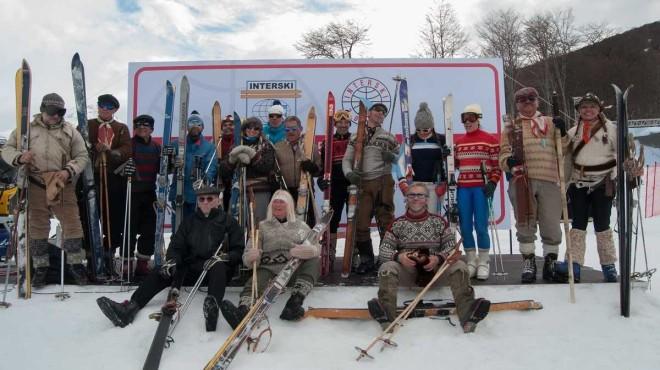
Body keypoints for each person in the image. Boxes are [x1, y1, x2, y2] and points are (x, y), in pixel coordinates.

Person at [96, 185, 244, 332]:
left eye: (209, 199)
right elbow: (176, 246)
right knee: (161, 270)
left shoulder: (229, 222)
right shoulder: (189, 222)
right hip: (192, 268)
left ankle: (212, 309)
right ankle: (129, 309)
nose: (205, 202)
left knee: (217, 267)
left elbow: (239, 250)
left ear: (218, 201)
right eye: (201, 199)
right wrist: (172, 260)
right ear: (197, 202)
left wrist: (224, 257)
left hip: (216, 270)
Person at [367, 182, 490, 333]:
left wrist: (438, 258)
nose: (416, 198)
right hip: (409, 272)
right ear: (406, 199)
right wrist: (399, 257)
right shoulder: (397, 224)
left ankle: (468, 318)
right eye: (412, 195)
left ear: (426, 199)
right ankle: (387, 319)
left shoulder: (438, 222)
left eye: (420, 195)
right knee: (387, 268)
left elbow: (451, 248)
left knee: (459, 266)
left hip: (436, 273)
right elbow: (384, 250)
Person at [2, 93, 90, 286]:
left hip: (61, 183)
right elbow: (7, 149)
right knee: (38, 226)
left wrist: (69, 171)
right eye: (52, 112)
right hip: (35, 182)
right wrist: (19, 158)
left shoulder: (70, 131)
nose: (56, 116)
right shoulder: (26, 129)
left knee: (72, 224)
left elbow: (83, 155)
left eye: (60, 112)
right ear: (43, 109)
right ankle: (40, 268)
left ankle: (76, 266)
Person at [220, 190, 321, 327]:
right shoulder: (261, 227)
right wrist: (251, 257)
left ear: (289, 205)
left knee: (313, 260)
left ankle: (294, 304)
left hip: (292, 270)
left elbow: (316, 247)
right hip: (268, 270)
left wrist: (309, 250)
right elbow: (246, 256)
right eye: (275, 201)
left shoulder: (301, 227)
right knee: (253, 284)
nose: (277, 204)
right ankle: (242, 312)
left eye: (282, 202)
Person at [498, 87, 568, 284]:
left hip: (548, 179)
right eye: (522, 100)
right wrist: (508, 162)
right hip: (522, 181)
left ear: (537, 102)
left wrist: (562, 132)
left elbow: (565, 148)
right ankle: (529, 261)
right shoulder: (511, 127)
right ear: (517, 104)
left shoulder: (549, 123)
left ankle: (550, 262)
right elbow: (502, 154)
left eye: (531, 99)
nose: (527, 103)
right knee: (525, 223)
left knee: (551, 223)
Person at [553, 93, 618, 283]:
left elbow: (623, 152)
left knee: (602, 225)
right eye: (584, 107)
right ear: (579, 111)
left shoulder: (612, 130)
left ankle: (608, 265)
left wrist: (626, 173)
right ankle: (574, 264)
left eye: (592, 107)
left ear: (599, 109)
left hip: (603, 184)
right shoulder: (574, 132)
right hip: (579, 184)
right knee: (578, 225)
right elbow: (564, 151)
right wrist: (562, 132)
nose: (588, 110)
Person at [342, 102, 399, 274]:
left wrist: (393, 157)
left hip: (384, 180)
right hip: (363, 182)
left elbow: (401, 158)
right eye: (377, 110)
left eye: (383, 112)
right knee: (361, 222)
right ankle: (366, 259)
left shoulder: (389, 136)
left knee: (386, 221)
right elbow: (347, 159)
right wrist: (349, 174)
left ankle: (385, 258)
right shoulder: (356, 135)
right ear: (369, 113)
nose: (380, 113)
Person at [454, 104, 501, 280]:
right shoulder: (459, 142)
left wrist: (493, 183)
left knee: (481, 226)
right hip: (464, 188)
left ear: (478, 118)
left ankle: (483, 261)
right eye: (464, 119)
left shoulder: (489, 139)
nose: (467, 122)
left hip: (481, 188)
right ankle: (471, 260)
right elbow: (456, 166)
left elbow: (497, 166)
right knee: (465, 226)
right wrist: (448, 156)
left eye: (471, 118)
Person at [88, 94, 132, 266]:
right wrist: (93, 147)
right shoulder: (89, 125)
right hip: (91, 175)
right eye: (102, 106)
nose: (105, 109)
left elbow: (127, 149)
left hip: (113, 178)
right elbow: (79, 143)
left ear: (114, 110)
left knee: (112, 216)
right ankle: (91, 253)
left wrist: (112, 152)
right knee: (90, 215)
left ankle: (109, 251)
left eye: (109, 107)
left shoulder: (121, 128)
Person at [220, 116, 276, 223]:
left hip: (260, 190)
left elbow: (266, 167)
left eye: (256, 129)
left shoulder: (266, 146)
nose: (252, 131)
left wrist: (253, 156)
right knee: (237, 223)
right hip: (239, 191)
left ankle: (257, 240)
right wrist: (231, 161)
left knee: (259, 223)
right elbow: (223, 171)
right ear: (244, 129)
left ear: (260, 131)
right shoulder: (236, 145)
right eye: (249, 128)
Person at [396, 102, 449, 214]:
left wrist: (445, 182)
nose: (422, 133)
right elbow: (400, 163)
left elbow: (451, 163)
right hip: (415, 185)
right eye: (419, 130)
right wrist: (403, 182)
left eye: (426, 130)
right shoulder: (409, 141)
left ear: (432, 127)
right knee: (415, 216)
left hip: (435, 185)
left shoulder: (441, 140)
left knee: (433, 217)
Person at [169, 111, 217, 228]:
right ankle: (177, 244)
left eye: (198, 124)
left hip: (197, 195)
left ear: (202, 127)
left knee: (196, 227)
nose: (194, 127)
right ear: (186, 126)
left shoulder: (208, 147)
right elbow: (166, 168)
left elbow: (211, 167)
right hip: (179, 192)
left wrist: (205, 180)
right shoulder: (176, 145)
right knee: (178, 226)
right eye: (191, 124)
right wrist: (172, 163)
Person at [317, 109, 352, 271]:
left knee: (354, 220)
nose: (343, 125)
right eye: (340, 122)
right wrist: (321, 180)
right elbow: (323, 166)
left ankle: (353, 254)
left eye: (346, 123)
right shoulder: (327, 142)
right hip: (336, 185)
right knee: (333, 220)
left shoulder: (355, 139)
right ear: (335, 124)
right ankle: (329, 254)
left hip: (352, 184)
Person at [126, 114, 161, 277]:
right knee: (129, 228)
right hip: (131, 192)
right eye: (138, 126)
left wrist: (172, 163)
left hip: (149, 192)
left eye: (145, 126)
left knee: (149, 229)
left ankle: (142, 262)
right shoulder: (129, 145)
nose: (142, 129)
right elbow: (119, 167)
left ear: (151, 129)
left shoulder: (155, 147)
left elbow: (162, 168)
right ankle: (127, 262)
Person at [273, 115, 322, 226]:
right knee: (286, 223)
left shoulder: (310, 147)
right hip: (286, 191)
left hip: (305, 190)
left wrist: (311, 167)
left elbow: (319, 170)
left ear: (300, 129)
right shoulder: (278, 147)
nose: (290, 132)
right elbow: (274, 171)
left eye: (294, 129)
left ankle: (307, 243)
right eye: (287, 129)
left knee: (307, 222)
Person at [218, 115, 235, 212]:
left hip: (236, 178)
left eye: (231, 125)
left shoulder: (239, 141)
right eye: (225, 125)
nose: (228, 127)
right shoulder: (217, 142)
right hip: (223, 180)